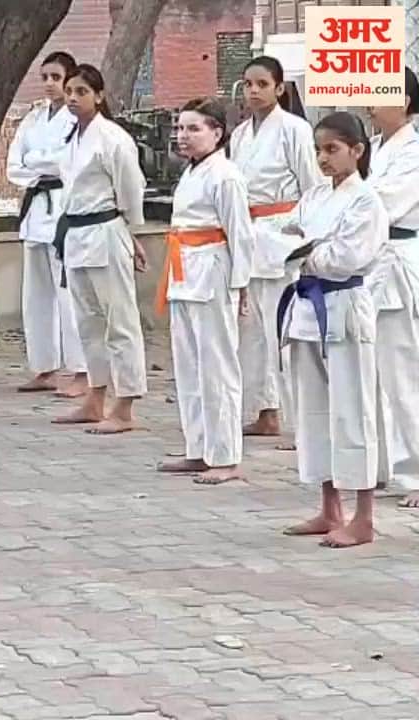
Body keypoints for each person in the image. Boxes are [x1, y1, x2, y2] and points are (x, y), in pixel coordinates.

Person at [280, 112, 386, 548]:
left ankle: (364, 516)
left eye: (332, 149)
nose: (323, 158)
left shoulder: (367, 201)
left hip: (344, 307)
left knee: (352, 410)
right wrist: (302, 250)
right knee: (314, 411)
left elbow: (347, 258)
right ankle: (329, 507)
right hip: (307, 308)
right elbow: (282, 235)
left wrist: (305, 252)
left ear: (357, 151)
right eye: (318, 150)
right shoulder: (314, 196)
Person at [154, 98, 254, 485]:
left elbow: (240, 234)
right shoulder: (192, 172)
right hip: (183, 271)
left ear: (217, 132)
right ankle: (198, 448)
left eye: (193, 128)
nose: (183, 136)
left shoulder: (225, 176)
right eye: (180, 128)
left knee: (218, 367)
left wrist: (241, 285)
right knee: (189, 367)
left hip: (213, 273)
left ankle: (226, 456)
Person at [230, 56, 325, 442]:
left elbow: (312, 186)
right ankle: (266, 410)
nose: (253, 91)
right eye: (248, 84)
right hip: (249, 233)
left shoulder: (295, 129)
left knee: (282, 328)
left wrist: (306, 236)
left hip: (282, 232)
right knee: (252, 332)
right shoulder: (240, 135)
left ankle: (300, 421)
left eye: (262, 84)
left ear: (279, 88)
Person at [51, 64, 149, 434]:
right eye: (69, 92)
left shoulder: (113, 138)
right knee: (88, 324)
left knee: (120, 323)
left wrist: (131, 231)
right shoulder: (71, 137)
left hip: (107, 230)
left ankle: (125, 406)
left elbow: (131, 188)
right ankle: (95, 398)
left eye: (81, 92)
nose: (73, 98)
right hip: (76, 233)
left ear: (99, 96)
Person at [6, 51, 88, 398]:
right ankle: (45, 367)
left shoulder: (76, 119)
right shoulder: (34, 118)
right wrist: (38, 165)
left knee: (68, 294)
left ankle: (81, 370)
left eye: (56, 77)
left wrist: (35, 161)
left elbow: (66, 162)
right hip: (36, 210)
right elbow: (14, 165)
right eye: (45, 77)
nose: (50, 84)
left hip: (63, 208)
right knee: (36, 296)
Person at [364, 67, 419, 510]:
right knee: (375, 373)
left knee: (405, 374)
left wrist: (345, 206)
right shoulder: (375, 147)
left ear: (403, 101)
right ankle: (383, 466)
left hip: (400, 258)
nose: (370, 102)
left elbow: (384, 205)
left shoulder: (414, 151)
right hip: (372, 263)